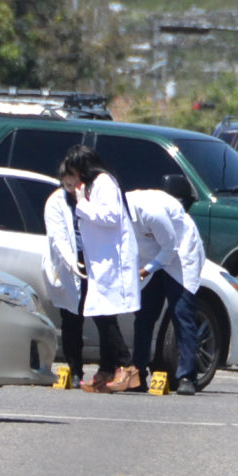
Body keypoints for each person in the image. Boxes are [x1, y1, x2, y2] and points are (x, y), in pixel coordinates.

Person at [60, 145, 141, 393]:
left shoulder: (104, 182)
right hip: (100, 259)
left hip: (112, 259)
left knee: (103, 313)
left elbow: (111, 216)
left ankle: (127, 367)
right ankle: (107, 370)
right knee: (102, 312)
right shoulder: (93, 186)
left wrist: (82, 205)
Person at [125, 189, 205, 395]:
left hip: (179, 251)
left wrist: (146, 270)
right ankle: (139, 373)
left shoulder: (149, 211)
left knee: (182, 313)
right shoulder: (112, 214)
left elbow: (170, 247)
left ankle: (187, 376)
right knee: (143, 315)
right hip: (149, 254)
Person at [43, 161, 90, 388]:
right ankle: (75, 370)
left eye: (74, 178)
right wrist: (72, 263)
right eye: (66, 179)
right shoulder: (56, 201)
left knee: (102, 317)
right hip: (69, 264)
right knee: (72, 320)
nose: (70, 183)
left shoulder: (88, 197)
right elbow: (58, 238)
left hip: (92, 262)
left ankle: (109, 369)